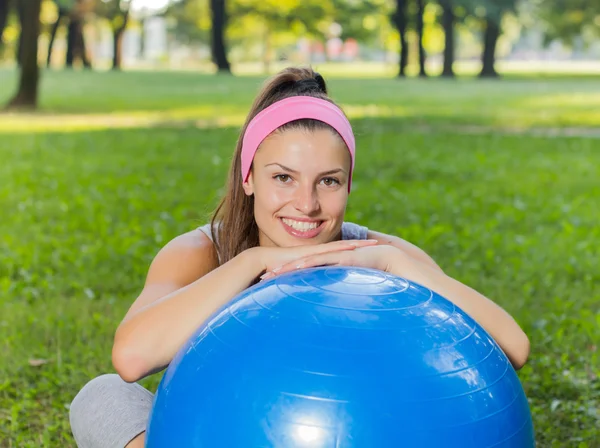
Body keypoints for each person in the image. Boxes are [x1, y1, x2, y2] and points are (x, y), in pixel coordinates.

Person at [69, 66, 530, 448]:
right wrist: (251, 263)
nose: (306, 205)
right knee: (103, 397)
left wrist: (393, 264)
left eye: (327, 181)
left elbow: (514, 346)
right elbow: (130, 359)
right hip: (220, 426)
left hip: (344, 428)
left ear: (348, 185)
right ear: (248, 176)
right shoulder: (201, 251)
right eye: (283, 178)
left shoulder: (372, 254)